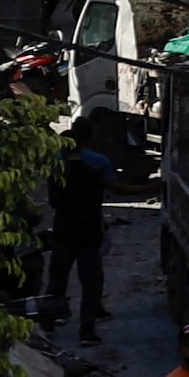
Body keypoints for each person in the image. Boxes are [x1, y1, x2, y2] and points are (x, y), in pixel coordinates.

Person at [43, 123, 117, 329]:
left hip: (63, 231)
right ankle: (87, 330)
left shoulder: (57, 174)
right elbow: (99, 199)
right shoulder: (95, 171)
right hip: (89, 232)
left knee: (57, 281)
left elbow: (54, 203)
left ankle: (50, 322)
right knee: (90, 284)